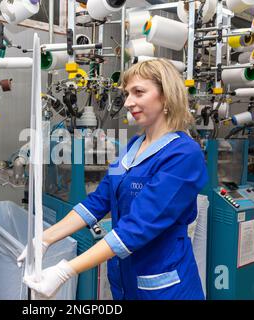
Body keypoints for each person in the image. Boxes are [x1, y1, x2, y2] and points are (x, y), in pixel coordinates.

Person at [19, 58, 209, 300]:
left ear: (166, 96)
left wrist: (66, 271)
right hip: (125, 278)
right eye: (127, 94)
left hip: (164, 285)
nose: (128, 103)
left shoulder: (184, 154)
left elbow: (138, 226)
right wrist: (45, 238)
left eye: (139, 92)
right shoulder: (133, 147)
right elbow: (99, 200)